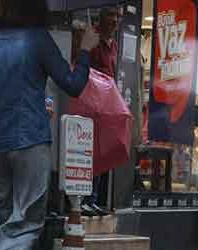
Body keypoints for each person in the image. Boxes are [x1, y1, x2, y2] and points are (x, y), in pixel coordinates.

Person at [0, 0, 99, 250]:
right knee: (27, 218)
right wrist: (85, 51)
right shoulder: (37, 39)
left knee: (5, 217)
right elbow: (72, 85)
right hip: (29, 139)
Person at [82, 6, 121, 217]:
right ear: (101, 17)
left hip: (108, 106)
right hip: (91, 104)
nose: (115, 21)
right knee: (89, 151)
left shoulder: (114, 45)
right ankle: (85, 198)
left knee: (102, 152)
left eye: (118, 16)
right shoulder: (92, 39)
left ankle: (94, 198)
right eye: (111, 15)